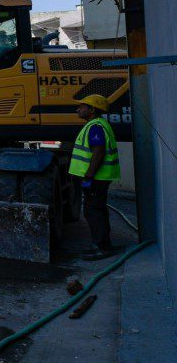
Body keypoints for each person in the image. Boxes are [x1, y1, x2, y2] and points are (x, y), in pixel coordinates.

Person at [67, 94, 120, 260]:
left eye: (82, 106)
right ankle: (101, 244)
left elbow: (98, 151)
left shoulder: (95, 127)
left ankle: (102, 247)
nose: (78, 109)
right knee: (97, 210)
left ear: (92, 109)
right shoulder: (96, 125)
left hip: (96, 178)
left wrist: (88, 175)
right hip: (99, 177)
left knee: (93, 211)